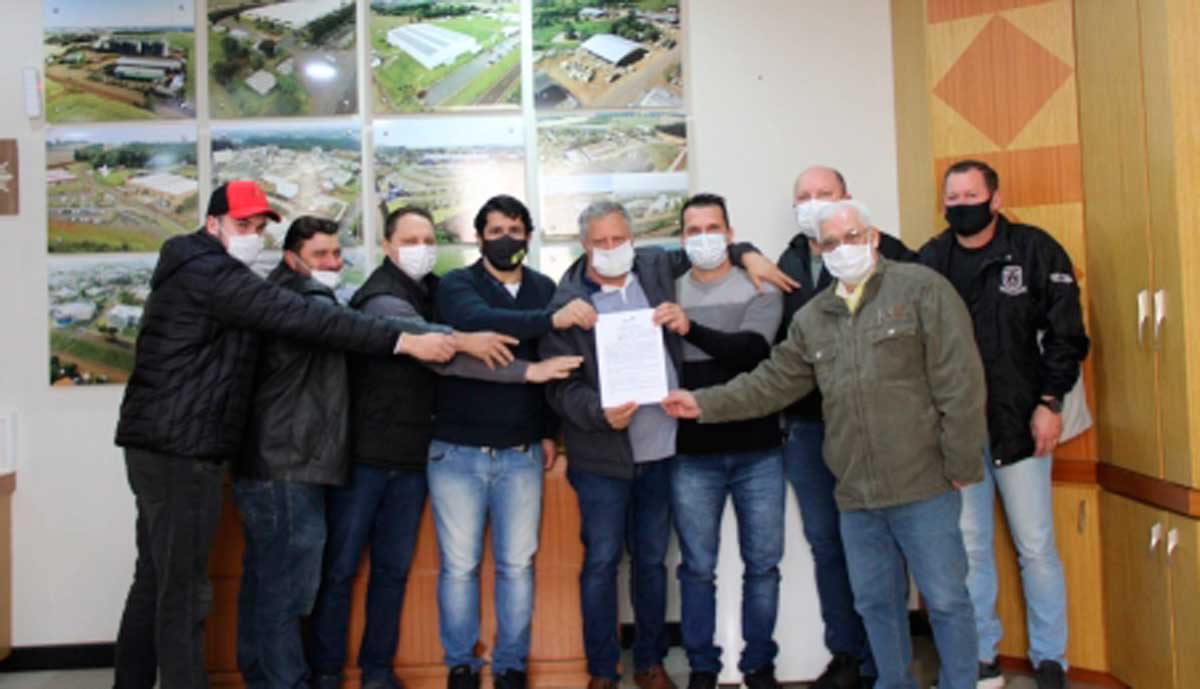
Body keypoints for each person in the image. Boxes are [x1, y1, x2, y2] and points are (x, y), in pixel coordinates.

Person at [112, 182, 455, 689]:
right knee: (184, 591)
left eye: (258, 227)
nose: (252, 235)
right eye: (242, 225)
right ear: (212, 224)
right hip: (181, 448)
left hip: (166, 444)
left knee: (157, 580)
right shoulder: (212, 274)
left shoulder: (200, 269)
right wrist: (405, 340)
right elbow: (309, 318)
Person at [663, 200, 988, 689]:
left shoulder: (922, 289)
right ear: (818, 248)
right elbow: (771, 383)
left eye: (852, 237)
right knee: (876, 604)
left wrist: (961, 463)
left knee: (945, 600)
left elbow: (960, 381)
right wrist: (702, 403)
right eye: (830, 242)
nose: (842, 249)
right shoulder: (814, 317)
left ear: (872, 237)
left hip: (923, 482)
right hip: (855, 493)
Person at [309, 206, 581, 689]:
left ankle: (380, 672)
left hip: (416, 454)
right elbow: (445, 353)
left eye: (428, 240)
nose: (421, 249)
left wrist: (546, 426)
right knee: (345, 570)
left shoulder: (435, 288)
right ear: (388, 246)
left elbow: (538, 353)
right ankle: (329, 673)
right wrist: (506, 359)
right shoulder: (386, 297)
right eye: (409, 241)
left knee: (396, 572)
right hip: (374, 455)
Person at [539, 199, 786, 689]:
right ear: (584, 246)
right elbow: (560, 387)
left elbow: (709, 246)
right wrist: (598, 411)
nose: (612, 248)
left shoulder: (655, 270)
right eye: (600, 242)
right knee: (601, 564)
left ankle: (650, 662)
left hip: (661, 451)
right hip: (600, 456)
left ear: (633, 240)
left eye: (619, 239)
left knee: (652, 563)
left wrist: (749, 252)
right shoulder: (566, 304)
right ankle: (602, 671)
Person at [918, 160, 1089, 689]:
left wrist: (1050, 403)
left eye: (971, 195)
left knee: (1035, 546)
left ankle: (1050, 659)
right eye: (952, 198)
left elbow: (1066, 335)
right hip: (959, 433)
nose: (960, 205)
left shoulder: (1036, 250)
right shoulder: (931, 260)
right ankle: (980, 657)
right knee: (969, 548)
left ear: (995, 199)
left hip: (1023, 427)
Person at [780, 165, 917, 689]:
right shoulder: (789, 261)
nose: (814, 203)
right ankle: (847, 655)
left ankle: (887, 663)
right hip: (809, 429)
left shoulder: (894, 258)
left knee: (882, 544)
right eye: (805, 196)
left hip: (874, 428)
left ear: (849, 199)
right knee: (827, 544)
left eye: (825, 194)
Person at [669, 194, 785, 689]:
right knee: (697, 568)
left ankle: (759, 665)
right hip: (691, 454)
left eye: (712, 228)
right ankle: (702, 667)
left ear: (731, 235)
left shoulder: (760, 283)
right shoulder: (668, 290)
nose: (704, 238)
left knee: (763, 566)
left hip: (759, 450)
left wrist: (689, 326)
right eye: (693, 231)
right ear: (681, 239)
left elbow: (751, 352)